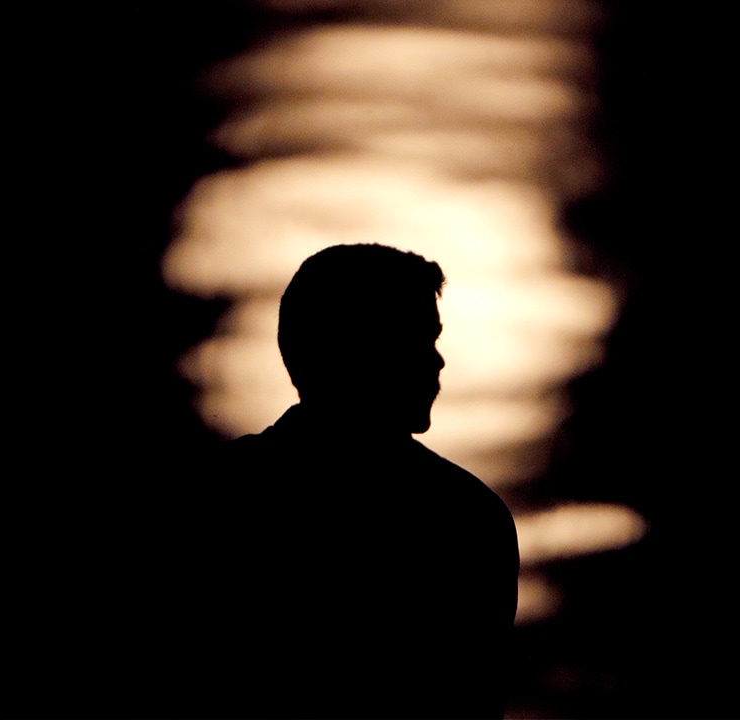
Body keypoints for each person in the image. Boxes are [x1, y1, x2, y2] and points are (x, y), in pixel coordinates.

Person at [213, 243, 521, 718]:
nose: (437, 362)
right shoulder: (466, 519)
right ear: (359, 353)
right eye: (417, 341)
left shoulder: (221, 497)